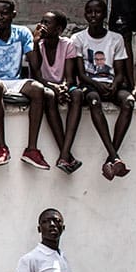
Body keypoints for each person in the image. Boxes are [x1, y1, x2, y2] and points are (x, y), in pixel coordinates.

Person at [61, 0, 136, 179]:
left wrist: (115, 84)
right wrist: (97, 84)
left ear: (104, 15)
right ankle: (115, 157)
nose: (93, 15)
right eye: (89, 12)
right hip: (90, 85)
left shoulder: (115, 39)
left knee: (129, 102)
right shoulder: (78, 38)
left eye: (98, 12)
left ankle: (111, 158)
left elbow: (120, 71)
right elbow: (81, 74)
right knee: (94, 102)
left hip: (111, 83)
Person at [0, 0, 47, 170]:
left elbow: (35, 66)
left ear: (13, 15)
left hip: (14, 81)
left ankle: (32, 149)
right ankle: (1, 147)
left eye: (4, 14)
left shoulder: (22, 33)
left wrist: (35, 43)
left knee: (38, 88)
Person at [33, 10, 79, 171]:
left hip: (65, 86)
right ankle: (66, 155)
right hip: (47, 87)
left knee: (77, 94)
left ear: (58, 30)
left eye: (47, 23)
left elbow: (70, 77)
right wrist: (35, 43)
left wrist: (64, 87)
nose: (42, 26)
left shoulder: (67, 44)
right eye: (42, 22)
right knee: (49, 95)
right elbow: (36, 75)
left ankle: (65, 154)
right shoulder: (38, 45)